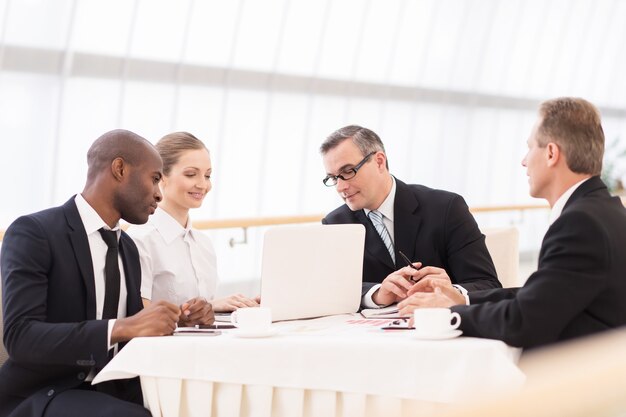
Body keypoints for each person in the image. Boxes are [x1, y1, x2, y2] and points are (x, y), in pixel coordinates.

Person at [0, 130, 213, 417]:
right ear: (120, 169)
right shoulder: (35, 232)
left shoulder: (127, 247)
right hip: (46, 392)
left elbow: (136, 336)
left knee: (199, 403)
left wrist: (180, 320)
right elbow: (20, 336)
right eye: (153, 179)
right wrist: (122, 327)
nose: (159, 193)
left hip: (113, 387)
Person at [398, 97, 626, 349]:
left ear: (551, 153)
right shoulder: (607, 211)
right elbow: (542, 296)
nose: (524, 161)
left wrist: (448, 314)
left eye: (530, 148)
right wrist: (464, 299)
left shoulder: (580, 223)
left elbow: (524, 321)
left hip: (573, 380)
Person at [320, 125, 501, 308]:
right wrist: (376, 294)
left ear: (379, 162)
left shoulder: (446, 207)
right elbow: (332, 290)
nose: (340, 187)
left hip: (440, 327)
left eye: (348, 172)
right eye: (334, 178)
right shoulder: (336, 224)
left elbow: (487, 284)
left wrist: (450, 292)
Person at [127, 132, 258, 312]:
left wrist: (243, 306)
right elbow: (139, 316)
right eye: (191, 174)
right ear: (161, 176)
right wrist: (211, 306)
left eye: (207, 176)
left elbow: (208, 312)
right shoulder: (140, 240)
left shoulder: (203, 244)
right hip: (162, 340)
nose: (203, 185)